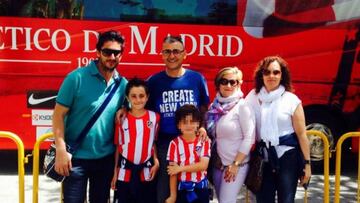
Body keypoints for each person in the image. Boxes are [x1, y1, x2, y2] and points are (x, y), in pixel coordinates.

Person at [52, 30, 128, 203]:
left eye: (116, 53)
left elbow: (134, 109)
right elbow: (58, 115)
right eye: (107, 52)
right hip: (75, 159)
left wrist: (124, 108)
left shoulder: (123, 84)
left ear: (121, 55)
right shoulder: (76, 78)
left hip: (104, 160)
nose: (112, 56)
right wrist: (61, 150)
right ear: (98, 52)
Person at [146, 35, 210, 203]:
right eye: (167, 51)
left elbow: (204, 107)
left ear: (184, 54)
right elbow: (142, 106)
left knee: (192, 189)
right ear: (161, 54)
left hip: (192, 141)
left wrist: (202, 127)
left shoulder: (197, 79)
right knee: (166, 192)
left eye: (176, 51)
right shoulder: (154, 81)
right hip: (166, 143)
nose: (171, 56)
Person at [245, 56, 311, 203]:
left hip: (287, 158)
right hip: (263, 158)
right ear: (261, 75)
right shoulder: (252, 97)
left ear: (282, 75)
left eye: (276, 72)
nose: (271, 76)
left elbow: (301, 135)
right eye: (267, 72)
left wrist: (307, 164)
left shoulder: (292, 100)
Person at [206, 67, 255, 203]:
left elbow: (249, 138)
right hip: (218, 164)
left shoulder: (243, 106)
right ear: (218, 84)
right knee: (222, 200)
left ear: (238, 84)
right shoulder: (213, 107)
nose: (228, 85)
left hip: (236, 166)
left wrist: (235, 164)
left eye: (232, 82)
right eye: (224, 81)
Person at [111, 77, 160, 203]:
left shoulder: (154, 118)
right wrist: (115, 171)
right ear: (127, 98)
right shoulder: (121, 118)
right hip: (124, 171)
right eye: (133, 96)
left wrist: (156, 161)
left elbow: (153, 142)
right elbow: (118, 146)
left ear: (147, 97)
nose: (138, 100)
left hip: (147, 171)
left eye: (141, 96)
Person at [166, 104, 211, 203]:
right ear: (179, 125)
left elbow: (203, 165)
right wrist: (173, 195)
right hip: (183, 190)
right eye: (184, 122)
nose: (189, 125)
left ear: (198, 124)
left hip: (201, 190)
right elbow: (173, 172)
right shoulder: (174, 144)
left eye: (192, 122)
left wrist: (180, 168)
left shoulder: (204, 141)